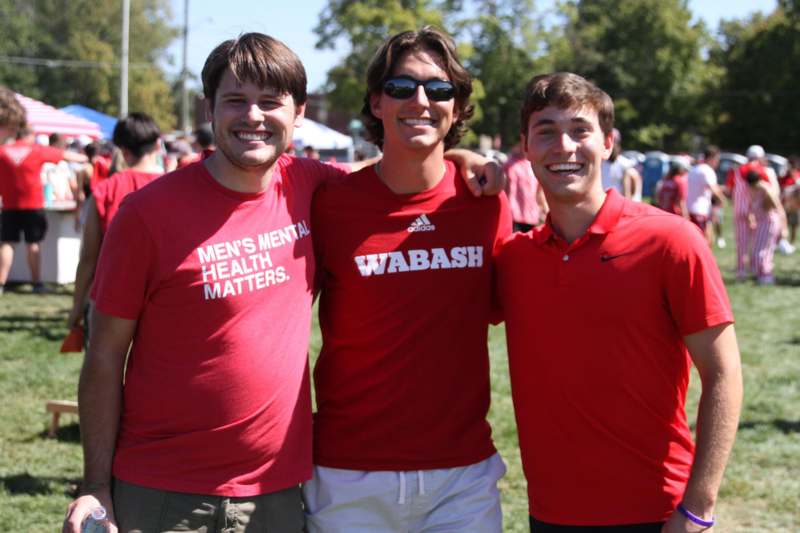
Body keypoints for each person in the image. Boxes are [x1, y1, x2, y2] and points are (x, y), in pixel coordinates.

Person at [62, 32, 503, 533]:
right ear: (209, 109)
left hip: (276, 490)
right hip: (164, 490)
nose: (253, 116)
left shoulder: (312, 186)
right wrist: (95, 483)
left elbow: (398, 174)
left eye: (270, 102)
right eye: (235, 101)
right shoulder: (147, 215)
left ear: (298, 113)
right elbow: (103, 354)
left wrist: (466, 161)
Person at [496, 72, 742, 531]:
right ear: (524, 148)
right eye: (546, 131)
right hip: (550, 514)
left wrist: (698, 508)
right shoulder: (514, 258)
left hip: (657, 512)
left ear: (608, 143)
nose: (564, 146)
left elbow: (724, 373)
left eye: (580, 130)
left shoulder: (671, 240)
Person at [305, 27, 511, 533]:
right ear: (376, 102)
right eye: (401, 88)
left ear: (458, 106)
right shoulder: (330, 203)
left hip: (461, 478)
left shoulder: (486, 204)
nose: (421, 100)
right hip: (347, 475)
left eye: (439, 89)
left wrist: (473, 162)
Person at [66, 113, 164, 343]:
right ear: (158, 144)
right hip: (161, 302)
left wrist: (76, 307)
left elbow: (89, 257)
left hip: (109, 300)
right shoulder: (179, 189)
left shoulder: (105, 189)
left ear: (123, 151)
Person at [0, 104, 87, 294]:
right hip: (33, 204)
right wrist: (87, 158)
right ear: (29, 134)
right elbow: (66, 155)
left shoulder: (3, 151)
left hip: (9, 206)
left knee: (7, 243)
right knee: (33, 244)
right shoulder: (36, 150)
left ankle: (1, 283)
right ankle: (36, 283)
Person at [727, 145, 773, 280]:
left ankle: (741, 271)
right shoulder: (760, 170)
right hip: (755, 212)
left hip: (739, 210)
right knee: (757, 242)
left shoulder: (736, 170)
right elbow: (767, 191)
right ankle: (755, 268)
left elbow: (731, 189)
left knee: (741, 243)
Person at [746, 168, 783, 284]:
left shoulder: (766, 189)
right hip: (761, 223)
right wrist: (752, 218)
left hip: (769, 223)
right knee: (758, 250)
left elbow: (778, 208)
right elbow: (752, 207)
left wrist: (784, 227)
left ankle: (766, 276)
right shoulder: (753, 189)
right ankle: (760, 274)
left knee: (764, 251)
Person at [687, 146, 726, 246]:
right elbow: (714, 189)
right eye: (717, 159)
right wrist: (722, 200)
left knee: (699, 241)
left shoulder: (694, 169)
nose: (717, 162)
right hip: (700, 211)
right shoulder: (707, 170)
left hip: (690, 210)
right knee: (704, 242)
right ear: (711, 158)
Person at [504, 142, 547, 231]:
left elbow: (539, 192)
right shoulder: (509, 165)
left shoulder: (534, 166)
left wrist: (545, 208)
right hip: (513, 215)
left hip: (531, 216)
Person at [601, 128, 641, 201]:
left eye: (614, 142)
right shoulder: (599, 162)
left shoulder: (625, 164)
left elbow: (630, 189)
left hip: (617, 203)